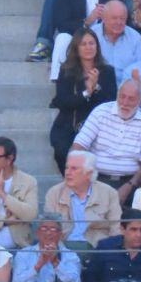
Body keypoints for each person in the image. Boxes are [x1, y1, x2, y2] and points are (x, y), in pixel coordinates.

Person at [71, 78, 141, 203]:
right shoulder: (100, 112)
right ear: (117, 95)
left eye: (131, 99)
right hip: (96, 179)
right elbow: (79, 145)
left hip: (130, 182)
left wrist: (129, 186)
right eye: (122, 96)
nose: (125, 103)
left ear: (140, 101)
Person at [50, 28, 118, 174]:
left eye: (91, 43)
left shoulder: (107, 71)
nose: (88, 47)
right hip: (70, 125)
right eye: (83, 44)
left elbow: (111, 102)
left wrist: (96, 87)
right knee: (63, 153)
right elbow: (61, 101)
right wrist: (87, 93)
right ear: (77, 48)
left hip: (97, 127)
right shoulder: (67, 71)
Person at [44, 150, 122, 254]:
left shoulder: (109, 193)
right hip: (63, 248)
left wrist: (112, 253)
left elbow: (116, 228)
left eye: (74, 168)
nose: (67, 172)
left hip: (97, 248)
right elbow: (48, 229)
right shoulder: (54, 193)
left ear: (89, 173)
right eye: (67, 167)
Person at [83, 208, 141, 282]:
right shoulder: (105, 247)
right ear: (122, 230)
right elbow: (90, 279)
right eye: (133, 229)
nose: (138, 234)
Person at [12, 212, 82, 282]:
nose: (48, 233)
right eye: (44, 228)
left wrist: (55, 262)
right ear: (37, 233)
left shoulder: (70, 255)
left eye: (53, 229)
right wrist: (37, 266)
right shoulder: (23, 254)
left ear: (60, 234)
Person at [91, 1, 141, 82]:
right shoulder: (92, 35)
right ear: (103, 18)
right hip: (98, 84)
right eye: (114, 18)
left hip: (127, 85)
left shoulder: (135, 38)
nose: (119, 22)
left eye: (122, 19)